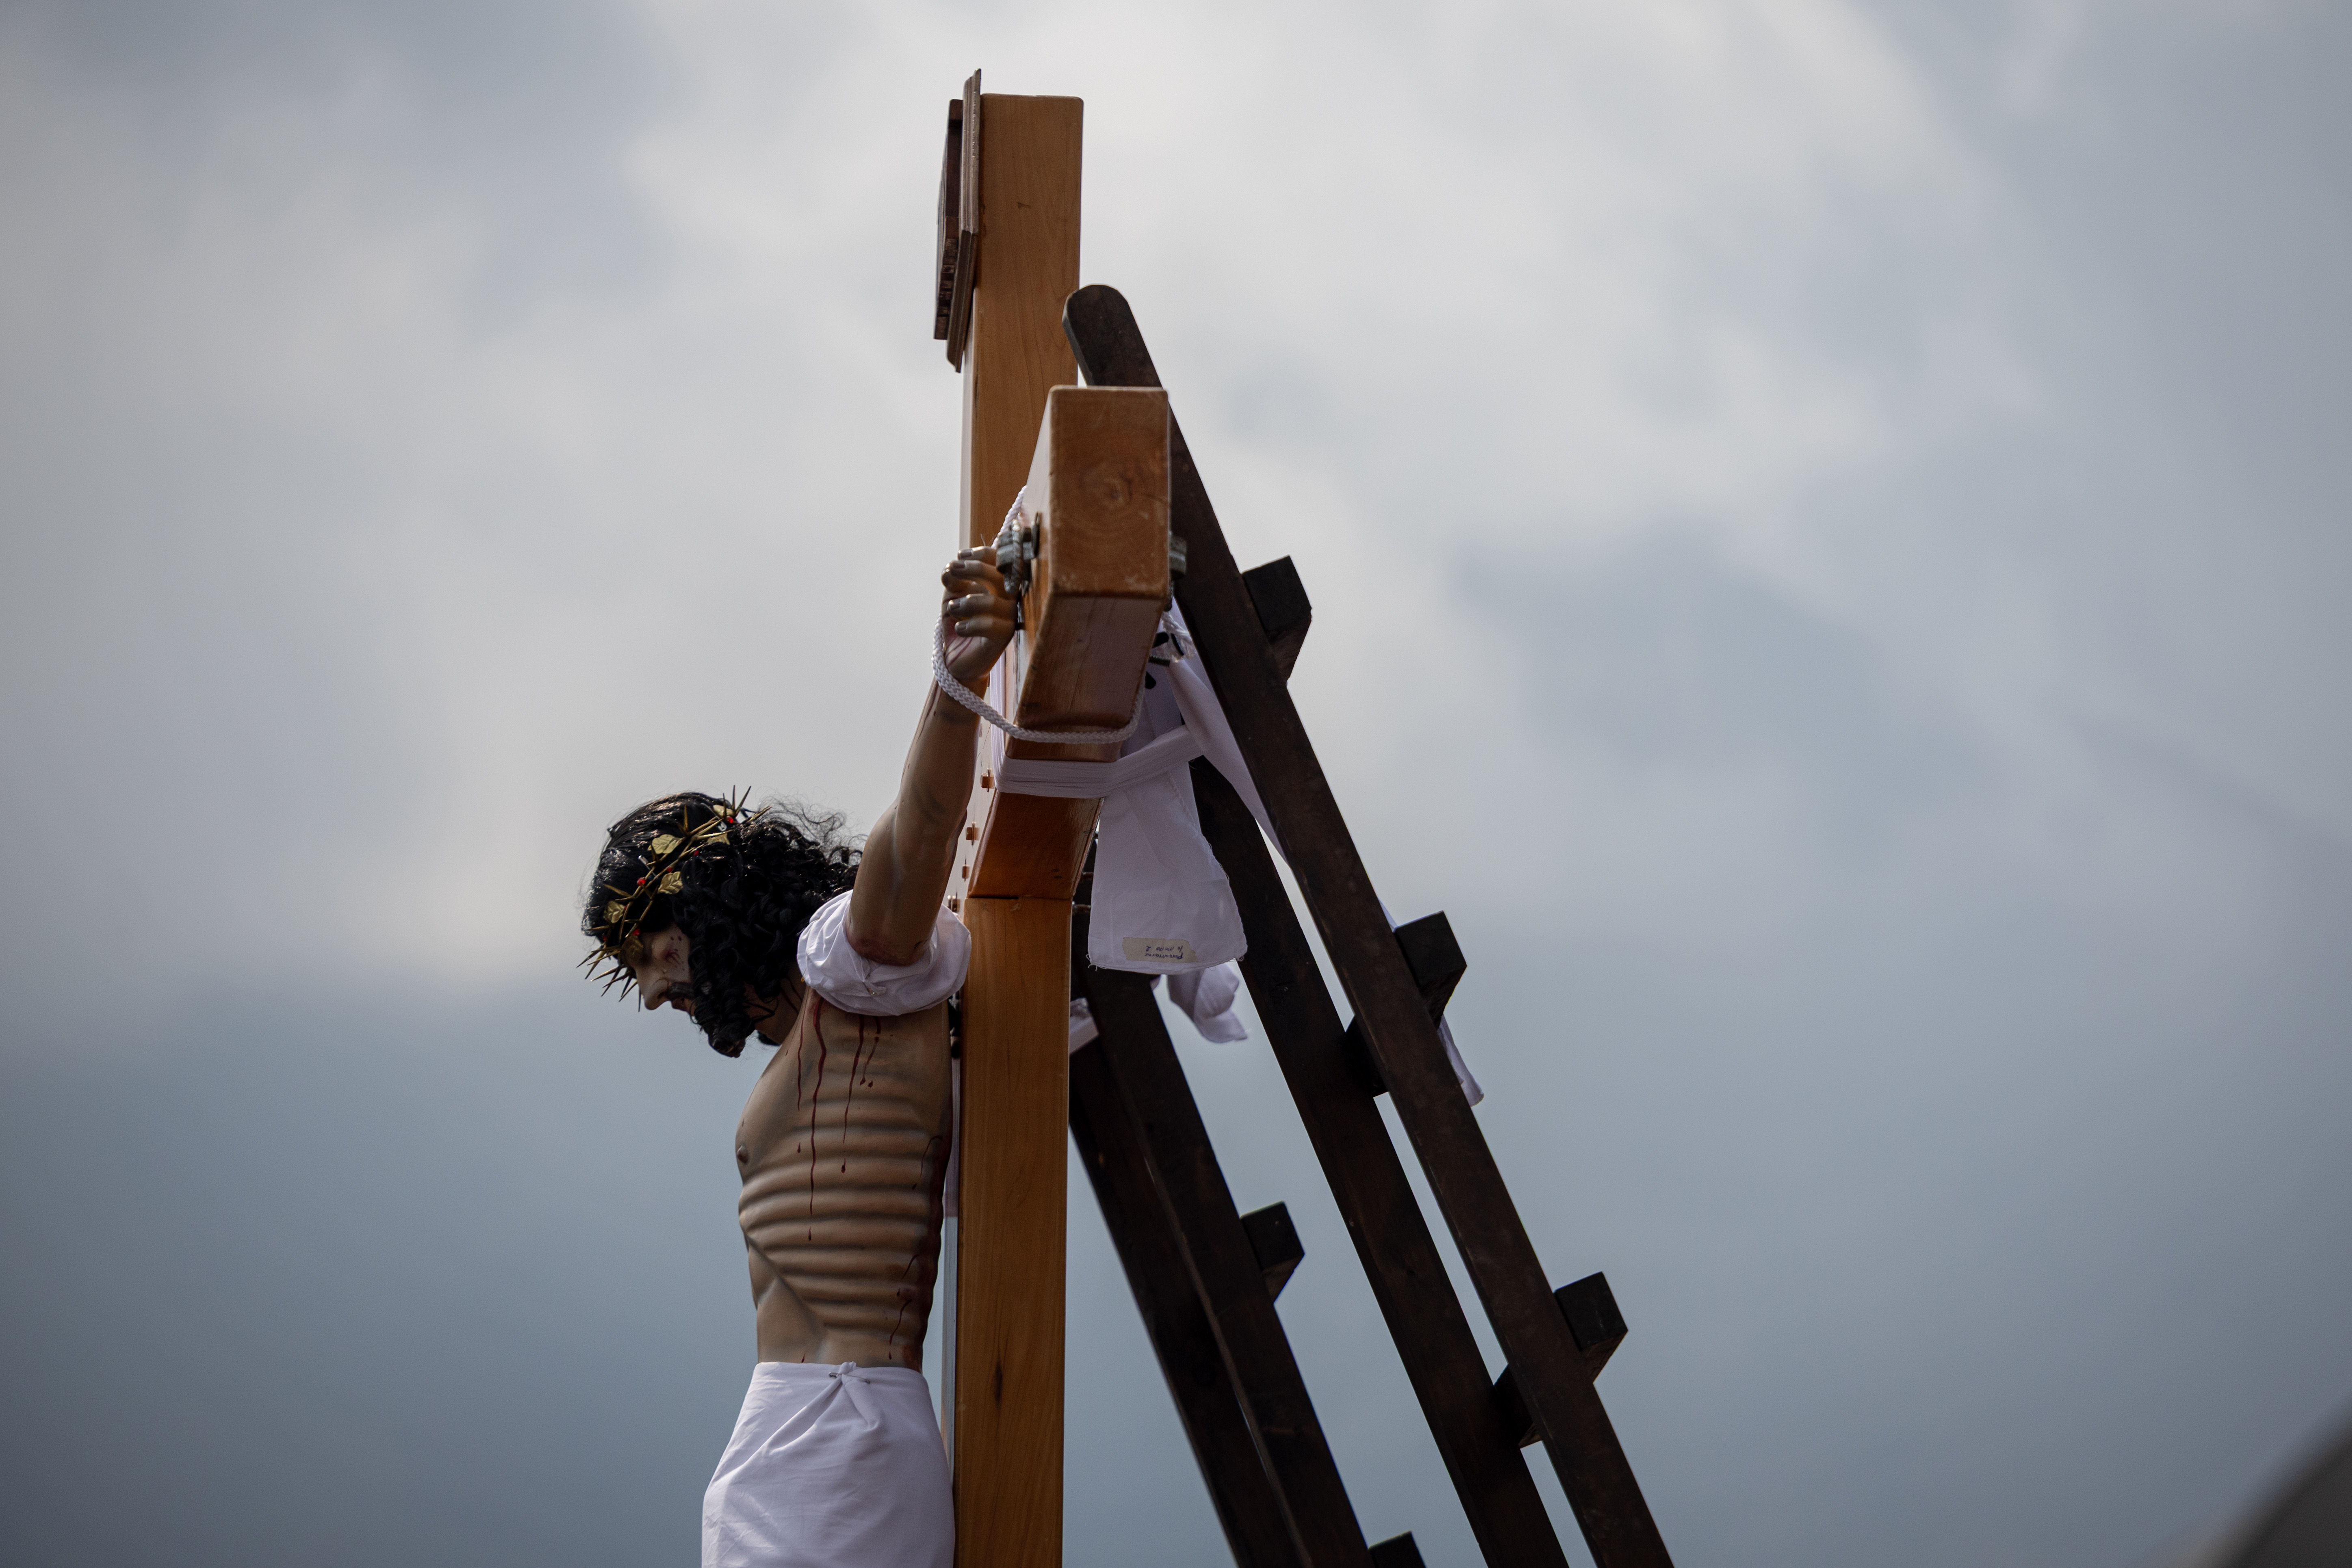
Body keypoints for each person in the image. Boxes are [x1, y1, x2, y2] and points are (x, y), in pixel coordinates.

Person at [580, 547, 1017, 1568]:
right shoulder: (826, 1016)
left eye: (658, 951)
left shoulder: (863, 967)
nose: (654, 991)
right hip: (798, 1427)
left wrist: (956, 686)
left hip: (841, 1429)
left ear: (712, 907)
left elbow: (915, 841)